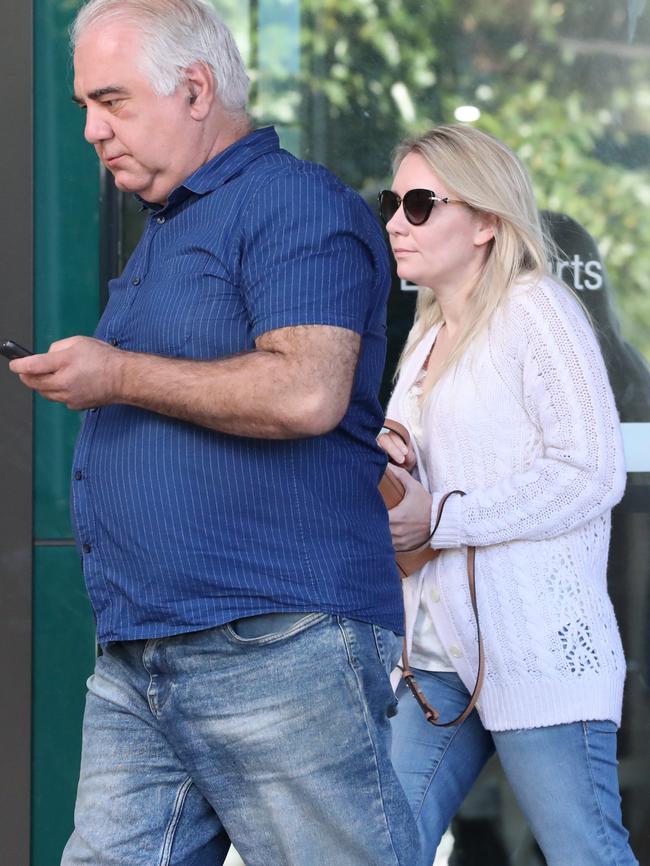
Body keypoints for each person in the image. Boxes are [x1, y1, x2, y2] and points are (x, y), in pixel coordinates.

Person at [10, 1, 419, 864]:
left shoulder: (295, 203)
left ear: (195, 89)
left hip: (275, 639)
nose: (90, 129)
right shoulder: (173, 225)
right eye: (84, 105)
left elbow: (306, 392)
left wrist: (116, 374)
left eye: (111, 101)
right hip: (142, 648)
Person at [376, 124, 638, 866]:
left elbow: (592, 472)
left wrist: (448, 516)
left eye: (421, 203)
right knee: (373, 851)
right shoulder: (428, 334)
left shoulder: (538, 310)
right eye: (396, 203)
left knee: (584, 852)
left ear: (487, 221)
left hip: (538, 652)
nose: (397, 220)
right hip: (432, 657)